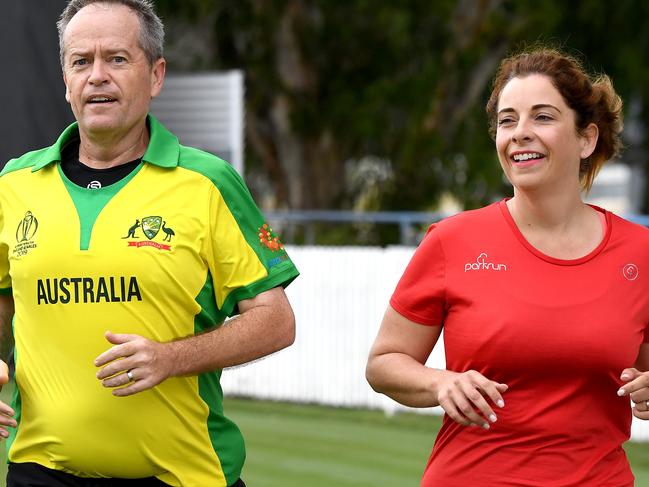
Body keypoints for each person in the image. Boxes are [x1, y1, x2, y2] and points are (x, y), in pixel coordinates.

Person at [0, 1, 299, 486]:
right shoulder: (15, 184)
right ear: (65, 81)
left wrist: (170, 357)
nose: (97, 76)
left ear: (156, 76)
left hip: (183, 474)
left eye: (117, 59)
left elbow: (275, 321)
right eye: (81, 61)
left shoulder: (206, 182)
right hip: (41, 470)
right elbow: (4, 302)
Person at [366, 47, 649, 486]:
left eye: (542, 117)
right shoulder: (452, 241)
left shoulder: (640, 253)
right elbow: (384, 362)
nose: (519, 133)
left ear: (586, 138)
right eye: (507, 120)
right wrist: (441, 383)